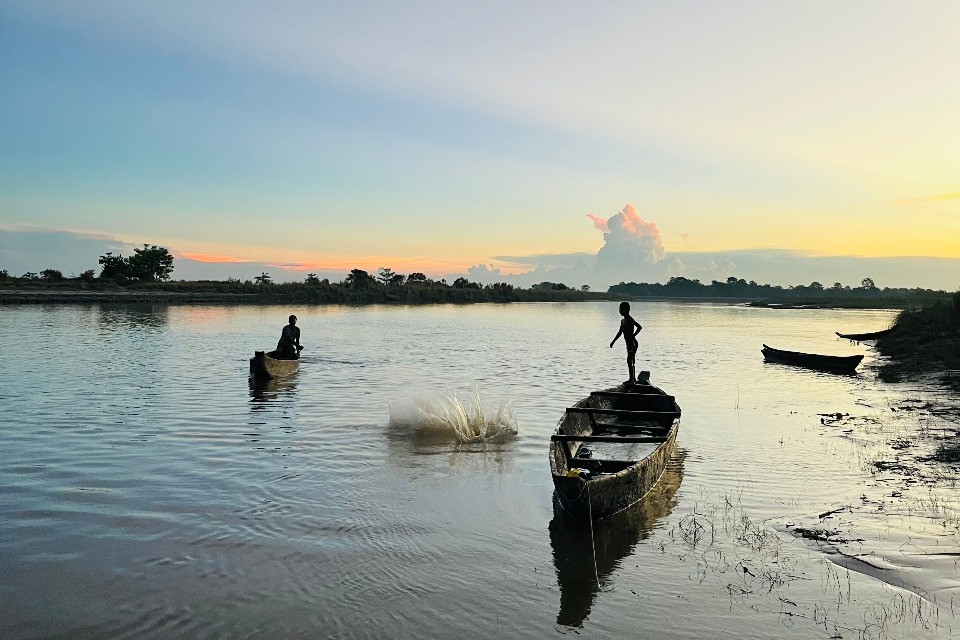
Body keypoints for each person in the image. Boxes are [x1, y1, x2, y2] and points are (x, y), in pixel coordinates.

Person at [610, 301, 642, 385]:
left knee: (629, 360)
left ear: (627, 310)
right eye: (619, 309)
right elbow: (620, 332)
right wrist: (613, 341)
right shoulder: (622, 321)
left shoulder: (630, 319)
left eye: (622, 309)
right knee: (630, 361)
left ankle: (631, 379)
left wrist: (633, 335)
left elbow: (639, 327)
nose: (620, 311)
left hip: (633, 343)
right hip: (628, 343)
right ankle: (632, 378)